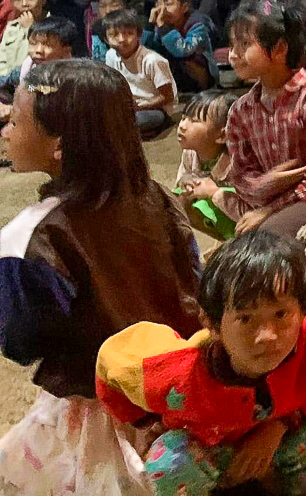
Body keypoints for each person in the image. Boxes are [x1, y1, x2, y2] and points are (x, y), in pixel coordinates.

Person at [0, 60, 202, 494]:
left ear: (59, 145)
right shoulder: (159, 200)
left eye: (14, 119)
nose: (5, 127)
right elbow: (195, 281)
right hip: (178, 387)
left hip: (97, 406)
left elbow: (19, 339)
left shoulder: (34, 236)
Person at [95, 230, 306, 495]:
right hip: (212, 455)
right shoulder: (180, 374)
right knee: (166, 461)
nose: (267, 336)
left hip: (276, 445)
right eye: (245, 319)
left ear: (305, 309)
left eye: (281, 313)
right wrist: (145, 424)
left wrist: (278, 427)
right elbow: (111, 363)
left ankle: (285, 488)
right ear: (211, 324)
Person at [223, 4, 306, 236]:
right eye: (232, 45)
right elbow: (241, 177)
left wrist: (270, 209)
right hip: (264, 201)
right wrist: (267, 183)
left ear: (280, 48)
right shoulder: (240, 111)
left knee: (266, 238)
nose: (233, 55)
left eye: (244, 45)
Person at [174, 89, 239, 238]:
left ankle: (232, 241)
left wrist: (213, 191)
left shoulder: (236, 162)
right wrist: (186, 180)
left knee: (203, 205)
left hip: (234, 212)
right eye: (183, 117)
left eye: (194, 120)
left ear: (222, 135)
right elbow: (182, 178)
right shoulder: (190, 152)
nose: (182, 125)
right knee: (175, 198)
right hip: (209, 202)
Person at [102, 8, 177, 137]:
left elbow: (167, 97)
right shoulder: (110, 55)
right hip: (129, 106)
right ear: (105, 39)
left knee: (131, 121)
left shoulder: (152, 61)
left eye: (128, 33)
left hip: (154, 108)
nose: (121, 39)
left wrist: (139, 106)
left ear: (139, 35)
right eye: (114, 35)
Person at [146, 0, 218, 93]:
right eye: (159, 6)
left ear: (184, 8)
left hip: (201, 82)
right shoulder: (161, 26)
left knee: (190, 61)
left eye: (168, 5)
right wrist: (149, 25)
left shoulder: (198, 24)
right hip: (172, 81)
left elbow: (183, 50)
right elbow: (146, 50)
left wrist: (163, 29)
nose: (162, 10)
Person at [0, 0, 46, 78]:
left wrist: (29, 29)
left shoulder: (52, 26)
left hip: (36, 85)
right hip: (9, 84)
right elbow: (2, 61)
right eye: (18, 0)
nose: (25, 4)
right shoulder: (12, 28)